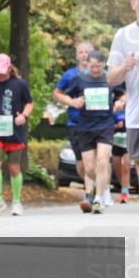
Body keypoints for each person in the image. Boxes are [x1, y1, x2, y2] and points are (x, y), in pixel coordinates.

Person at [65, 50, 125, 214]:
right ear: (87, 64)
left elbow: (124, 94)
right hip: (85, 127)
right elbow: (61, 95)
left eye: (98, 67)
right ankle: (98, 188)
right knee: (89, 168)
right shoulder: (79, 79)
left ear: (103, 65)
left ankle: (98, 199)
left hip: (105, 125)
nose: (95, 70)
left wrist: (120, 102)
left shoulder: (110, 78)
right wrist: (73, 101)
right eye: (92, 66)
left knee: (103, 160)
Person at [0, 55, 34, 216]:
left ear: (9, 69)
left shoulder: (20, 84)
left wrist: (23, 116)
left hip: (15, 131)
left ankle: (16, 202)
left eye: (2, 73)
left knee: (13, 167)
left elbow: (30, 103)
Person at [107, 0, 139, 208]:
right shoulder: (123, 35)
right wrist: (125, 66)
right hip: (137, 115)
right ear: (132, 4)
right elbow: (111, 79)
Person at [53, 41, 94, 191]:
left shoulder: (101, 73)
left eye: (87, 52)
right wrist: (72, 102)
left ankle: (95, 192)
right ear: (77, 56)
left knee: (96, 160)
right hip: (76, 123)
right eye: (81, 52)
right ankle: (94, 185)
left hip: (97, 123)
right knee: (82, 163)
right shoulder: (70, 75)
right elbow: (57, 94)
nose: (84, 55)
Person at [113, 95, 131, 202]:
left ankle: (124, 193)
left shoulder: (132, 110)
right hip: (116, 141)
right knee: (118, 168)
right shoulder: (115, 112)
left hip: (128, 140)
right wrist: (115, 125)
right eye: (122, 99)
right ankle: (123, 187)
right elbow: (108, 125)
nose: (124, 100)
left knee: (126, 167)